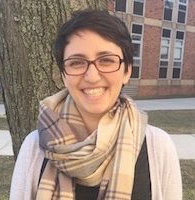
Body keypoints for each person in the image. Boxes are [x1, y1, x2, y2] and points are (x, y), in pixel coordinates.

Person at [10, 9, 182, 200]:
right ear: (64, 76)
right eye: (76, 62)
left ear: (126, 71)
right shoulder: (35, 147)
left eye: (106, 60)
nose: (92, 77)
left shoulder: (158, 147)